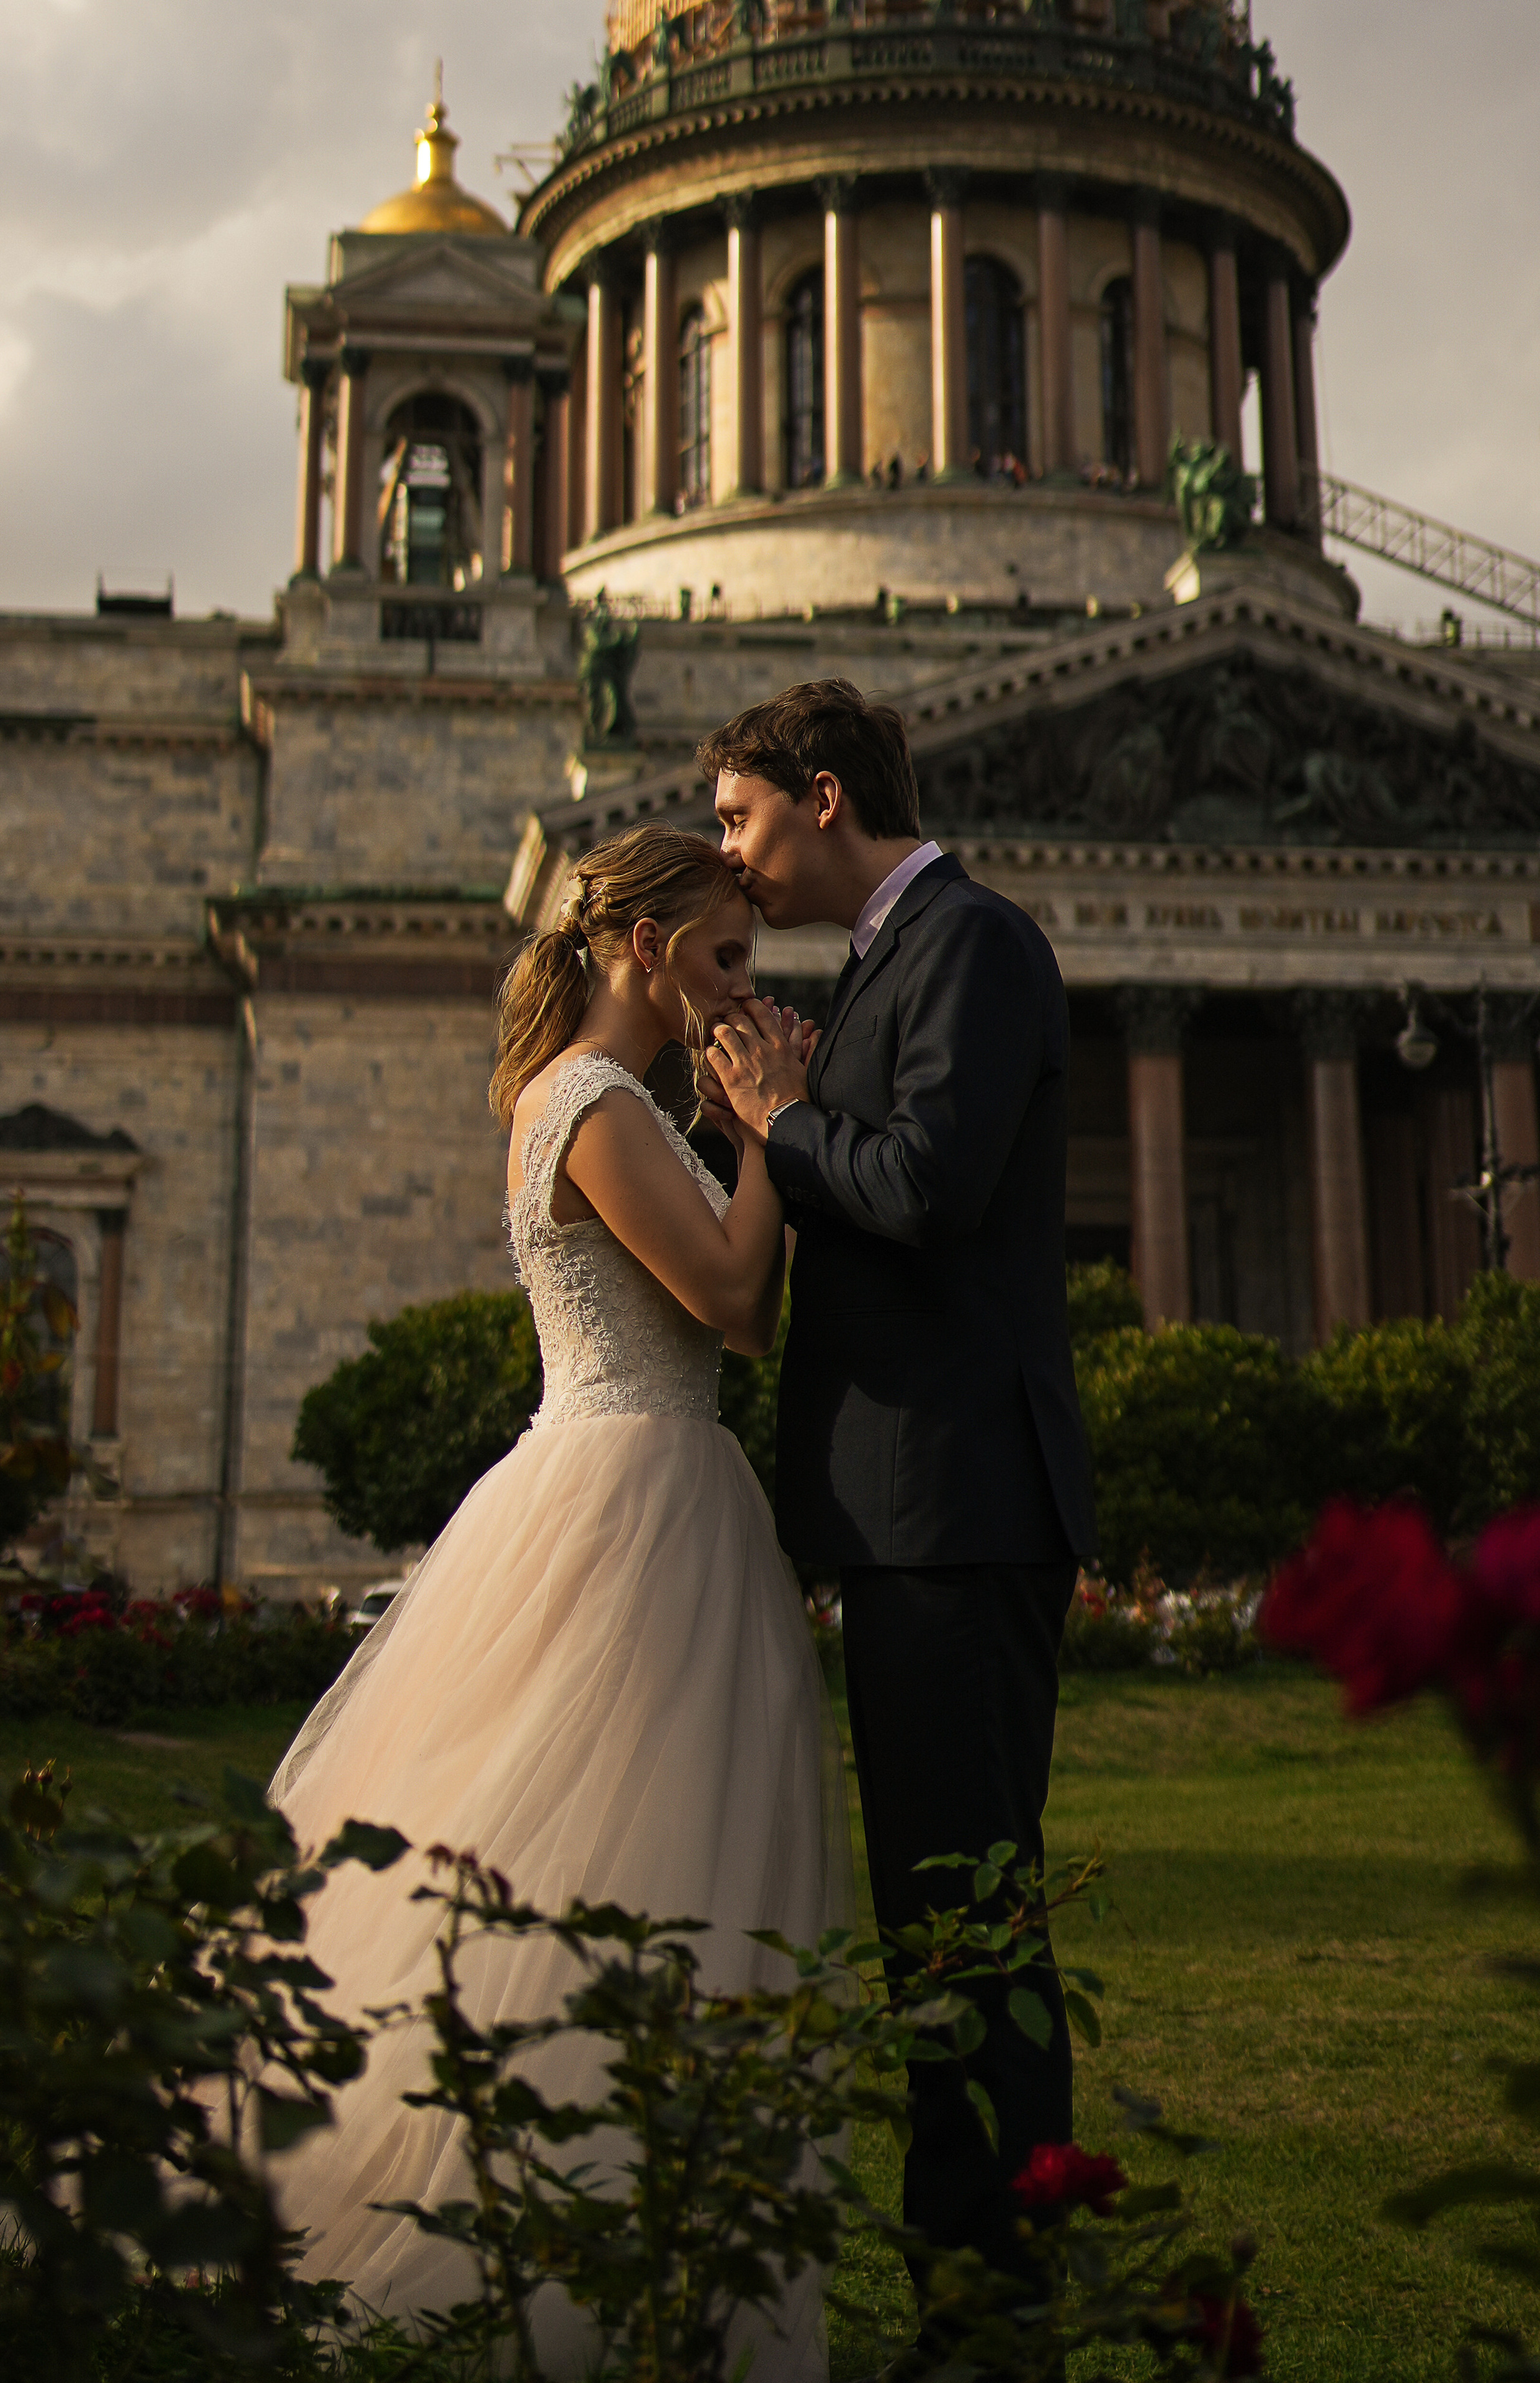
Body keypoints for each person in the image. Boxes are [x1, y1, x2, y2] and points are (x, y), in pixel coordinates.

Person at [266, 824, 852, 2374]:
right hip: (637, 1491)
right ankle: (600, 2238)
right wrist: (775, 1128)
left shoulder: (597, 1100)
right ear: (647, 946)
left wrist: (739, 1129)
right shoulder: (594, 1105)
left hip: (630, 1484)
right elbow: (731, 1307)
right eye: (725, 957)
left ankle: (649, 2230)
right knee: (632, 1845)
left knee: (641, 1851)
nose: (743, 985)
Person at [699, 678, 1098, 2318]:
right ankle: (973, 2266)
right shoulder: (889, 963)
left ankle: (995, 2292)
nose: (732, 858)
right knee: (943, 1914)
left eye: (739, 819)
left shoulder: (974, 945)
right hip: (918, 1513)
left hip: (960, 1507)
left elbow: (926, 1189)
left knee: (970, 1921)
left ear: (819, 794)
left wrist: (784, 1120)